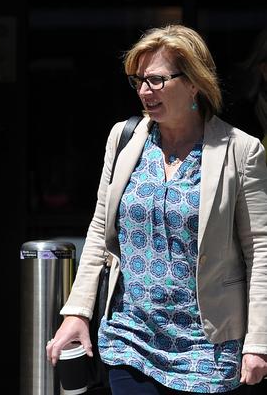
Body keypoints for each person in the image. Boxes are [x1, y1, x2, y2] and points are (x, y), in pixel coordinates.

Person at [46, 25, 267, 394]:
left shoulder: (240, 151)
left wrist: (258, 340)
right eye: (138, 81)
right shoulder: (125, 138)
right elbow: (101, 228)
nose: (144, 91)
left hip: (206, 351)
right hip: (130, 338)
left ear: (194, 82)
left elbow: (260, 250)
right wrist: (77, 311)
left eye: (156, 80)